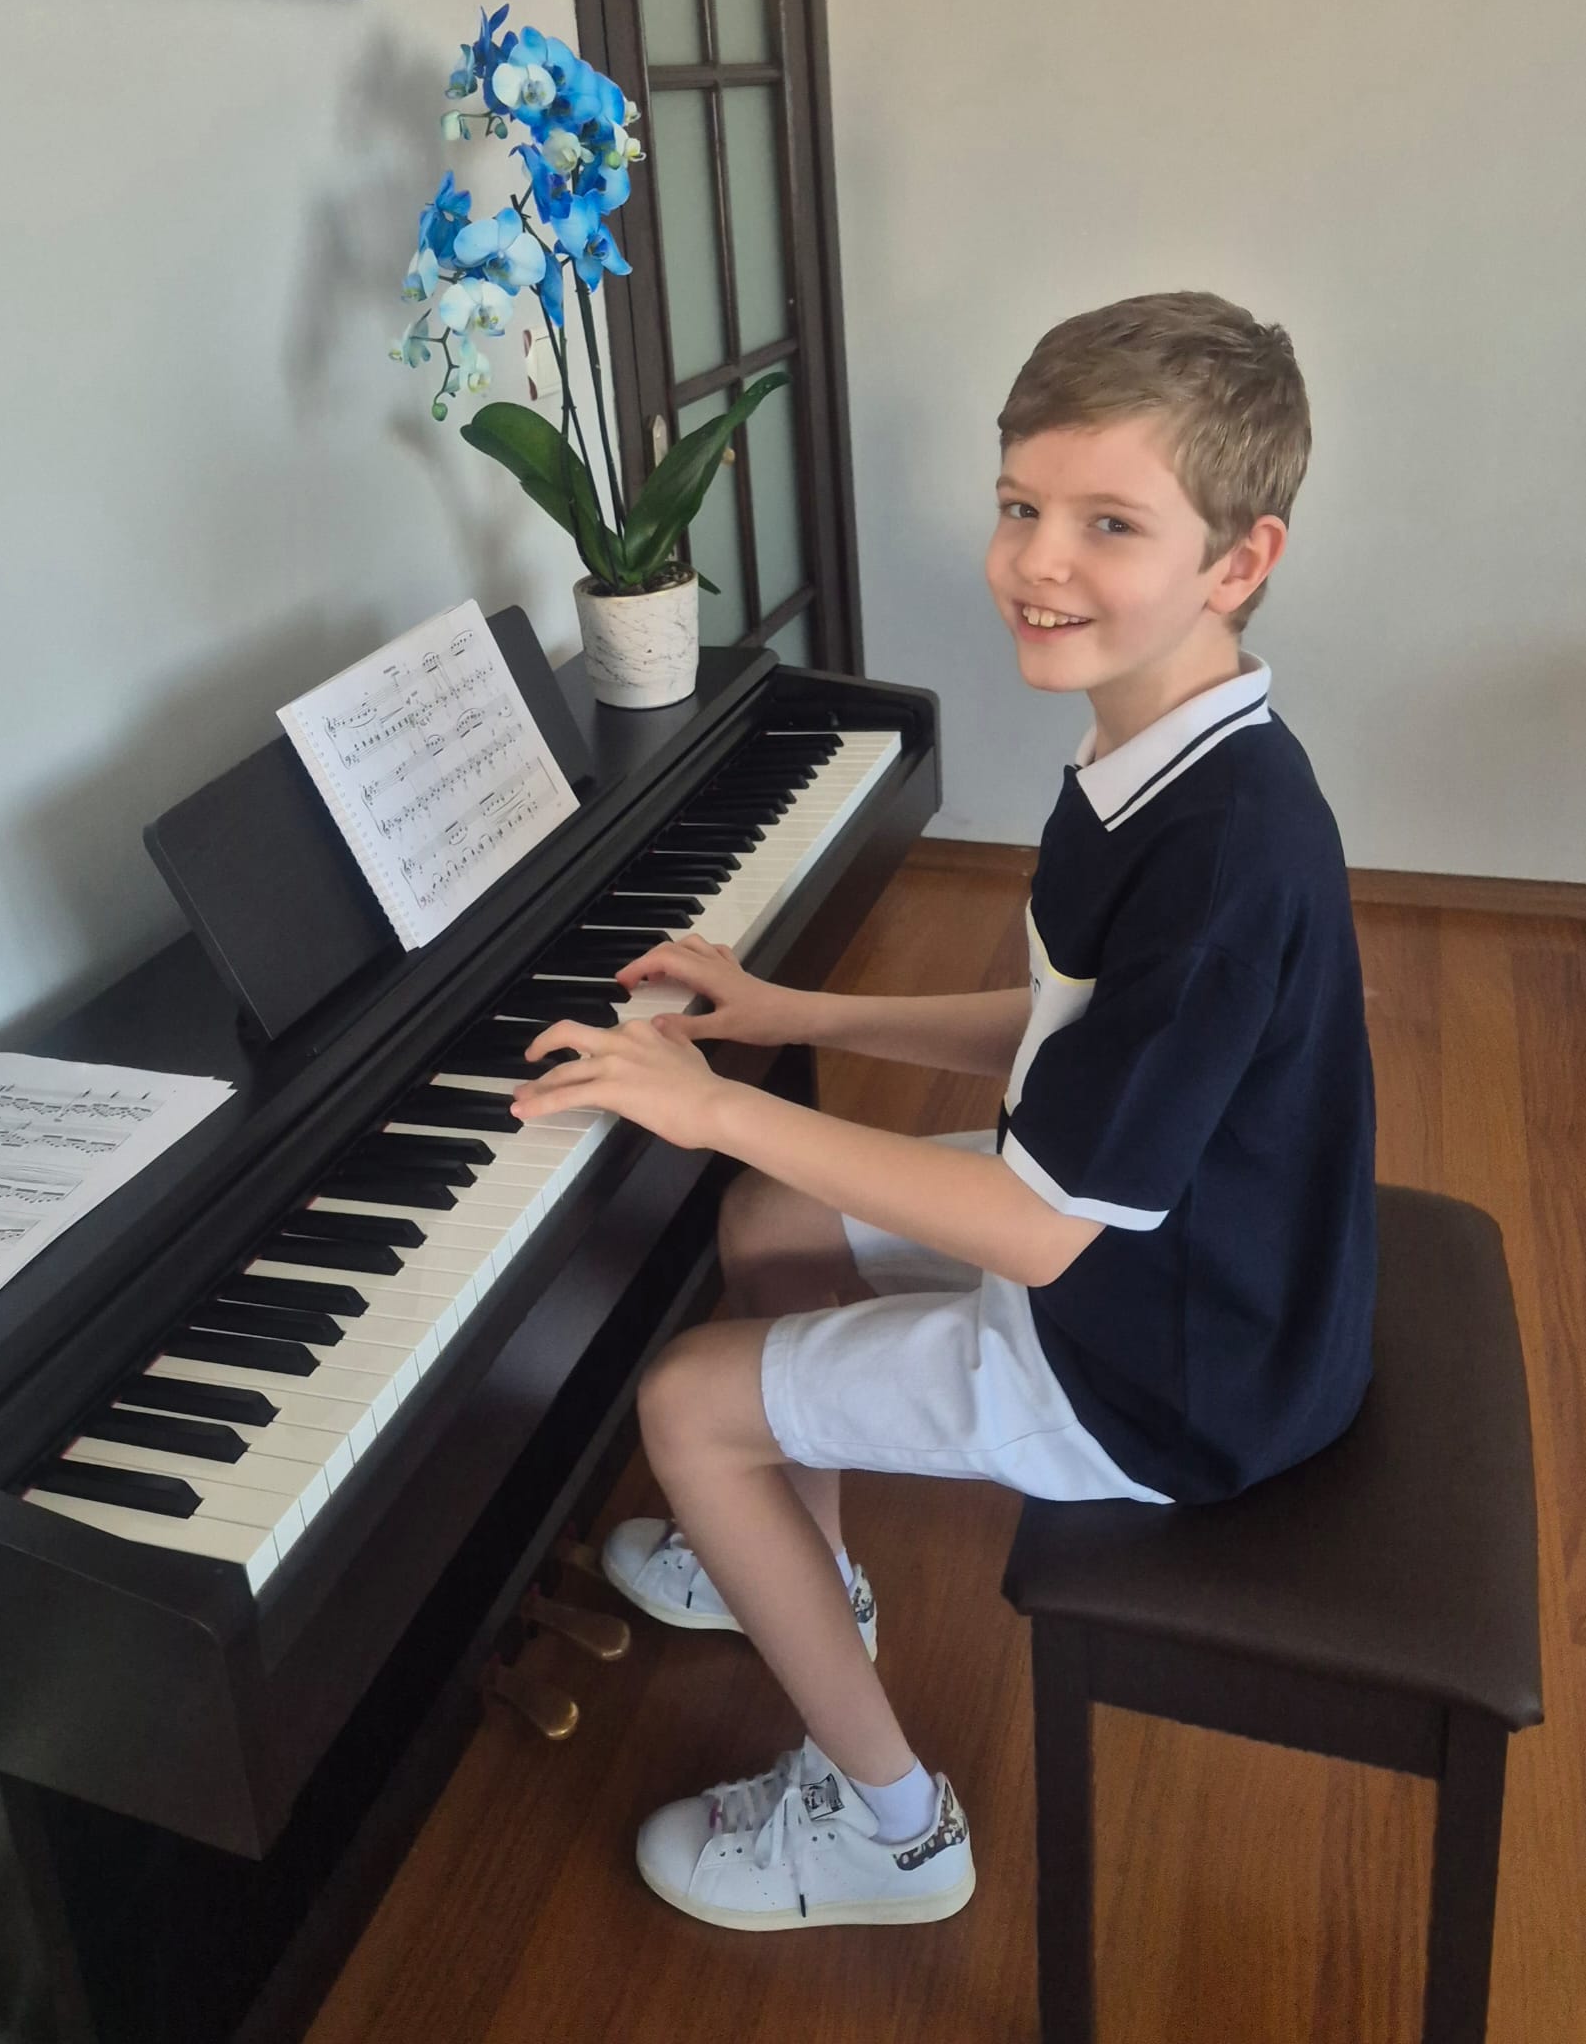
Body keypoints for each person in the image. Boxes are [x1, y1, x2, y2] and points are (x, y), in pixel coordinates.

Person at [511, 289, 1377, 1932]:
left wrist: (713, 1107)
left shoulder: (1223, 849)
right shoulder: (1157, 746)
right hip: (1184, 1256)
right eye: (1017, 505)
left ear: (1238, 560)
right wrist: (799, 1017)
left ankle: (891, 1834)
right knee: (768, 1224)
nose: (1034, 562)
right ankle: (802, 1574)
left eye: (1107, 523)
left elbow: (1039, 1236)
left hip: (1173, 1368)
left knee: (683, 1401)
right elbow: (1064, 1024)